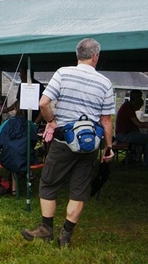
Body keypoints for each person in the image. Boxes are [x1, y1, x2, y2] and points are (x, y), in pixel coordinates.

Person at [21, 38, 115, 248]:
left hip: (64, 140)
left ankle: (46, 230)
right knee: (79, 189)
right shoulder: (105, 83)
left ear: (77, 55)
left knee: (48, 183)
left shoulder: (63, 73)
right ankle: (66, 234)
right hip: (90, 145)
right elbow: (106, 120)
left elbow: (44, 102)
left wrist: (52, 122)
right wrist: (108, 147)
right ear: (95, 56)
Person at [115, 89, 148, 165]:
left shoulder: (128, 106)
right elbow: (139, 124)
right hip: (123, 135)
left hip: (124, 134)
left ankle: (139, 159)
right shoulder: (128, 107)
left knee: (143, 136)